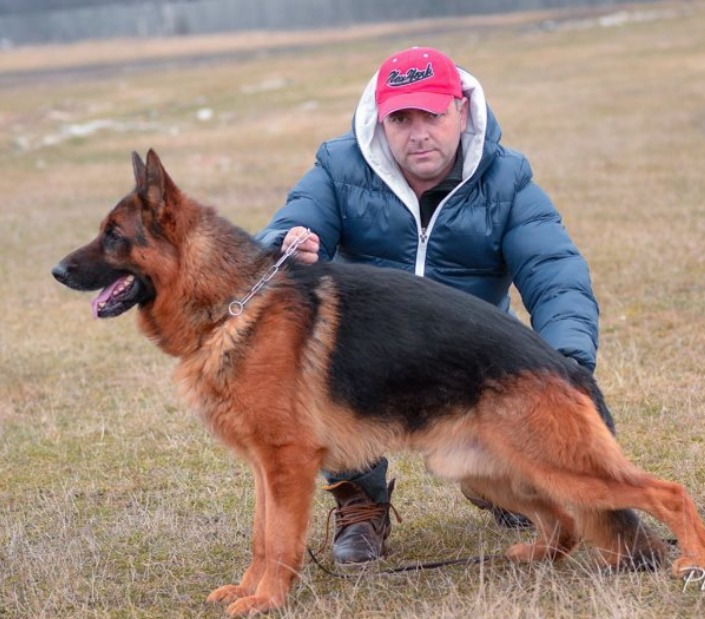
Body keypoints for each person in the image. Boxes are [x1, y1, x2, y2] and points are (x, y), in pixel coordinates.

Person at [256, 46, 606, 564]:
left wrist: (569, 359)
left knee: (515, 424)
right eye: (401, 118)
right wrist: (285, 244)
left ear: (461, 112)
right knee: (318, 375)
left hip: (468, 360)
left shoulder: (506, 179)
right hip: (368, 359)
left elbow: (555, 274)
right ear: (381, 120)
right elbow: (290, 225)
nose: (418, 132)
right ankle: (360, 499)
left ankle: (501, 483)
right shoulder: (338, 167)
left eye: (433, 114)